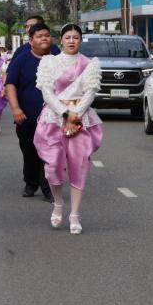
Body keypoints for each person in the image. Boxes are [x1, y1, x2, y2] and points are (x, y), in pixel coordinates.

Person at [34, 24, 102, 234]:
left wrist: (75, 115)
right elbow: (47, 92)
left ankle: (75, 214)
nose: (72, 41)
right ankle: (57, 202)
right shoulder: (49, 62)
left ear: (80, 40)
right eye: (68, 37)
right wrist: (65, 113)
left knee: (79, 165)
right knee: (53, 165)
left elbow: (90, 93)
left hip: (80, 117)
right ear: (61, 40)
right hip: (54, 118)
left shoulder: (89, 64)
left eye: (76, 37)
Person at [5, 23, 55, 201]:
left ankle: (48, 187)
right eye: (39, 36)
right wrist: (15, 108)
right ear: (31, 40)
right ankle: (31, 182)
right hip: (27, 117)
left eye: (47, 35)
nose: (44, 38)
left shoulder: (57, 57)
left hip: (52, 118)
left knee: (50, 153)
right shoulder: (22, 59)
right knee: (29, 151)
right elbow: (10, 84)